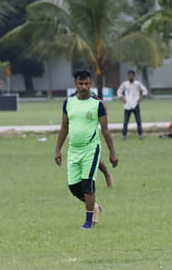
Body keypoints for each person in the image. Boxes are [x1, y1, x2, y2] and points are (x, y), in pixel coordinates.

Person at [54, 69, 119, 230]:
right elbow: (64, 127)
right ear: (75, 84)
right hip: (73, 150)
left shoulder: (97, 104)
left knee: (88, 185)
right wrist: (57, 150)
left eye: (87, 84)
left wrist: (112, 153)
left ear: (91, 84)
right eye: (81, 84)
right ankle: (94, 206)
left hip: (91, 149)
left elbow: (105, 130)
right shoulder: (68, 103)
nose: (84, 87)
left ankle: (88, 221)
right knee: (74, 187)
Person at [117, 70, 148, 140]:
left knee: (138, 121)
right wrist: (122, 98)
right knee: (125, 122)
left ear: (134, 76)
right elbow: (119, 91)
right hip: (127, 105)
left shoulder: (137, 84)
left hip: (135, 104)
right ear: (128, 76)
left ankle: (140, 135)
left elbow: (145, 91)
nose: (130, 76)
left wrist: (141, 98)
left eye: (132, 75)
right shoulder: (125, 84)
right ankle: (124, 135)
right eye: (129, 75)